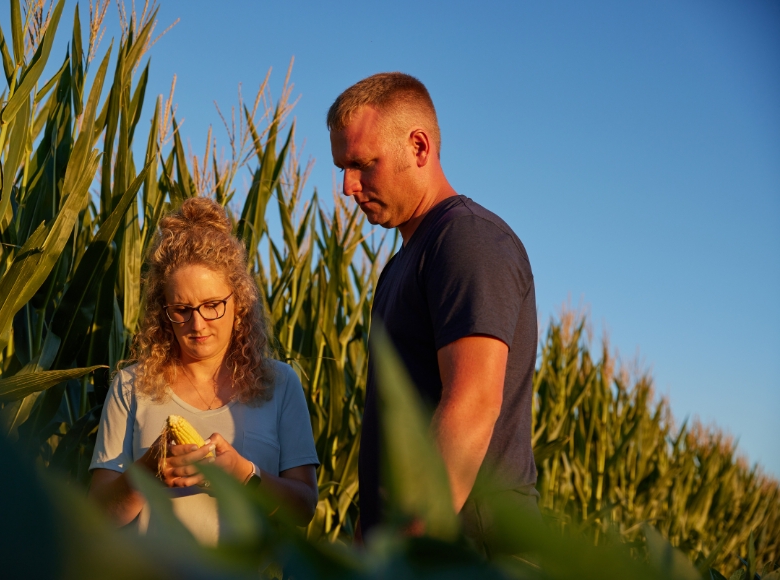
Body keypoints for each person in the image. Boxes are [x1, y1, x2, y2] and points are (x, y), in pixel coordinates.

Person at [327, 72, 540, 553]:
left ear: (419, 147)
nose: (347, 186)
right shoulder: (401, 266)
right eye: (342, 167)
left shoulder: (467, 240)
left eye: (362, 164)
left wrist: (402, 555)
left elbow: (472, 406)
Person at [88, 197, 319, 545]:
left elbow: (303, 508)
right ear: (163, 311)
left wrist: (244, 474)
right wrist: (148, 471)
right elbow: (98, 515)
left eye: (212, 305)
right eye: (181, 309)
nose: (197, 324)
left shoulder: (280, 384)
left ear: (239, 302)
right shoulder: (131, 385)